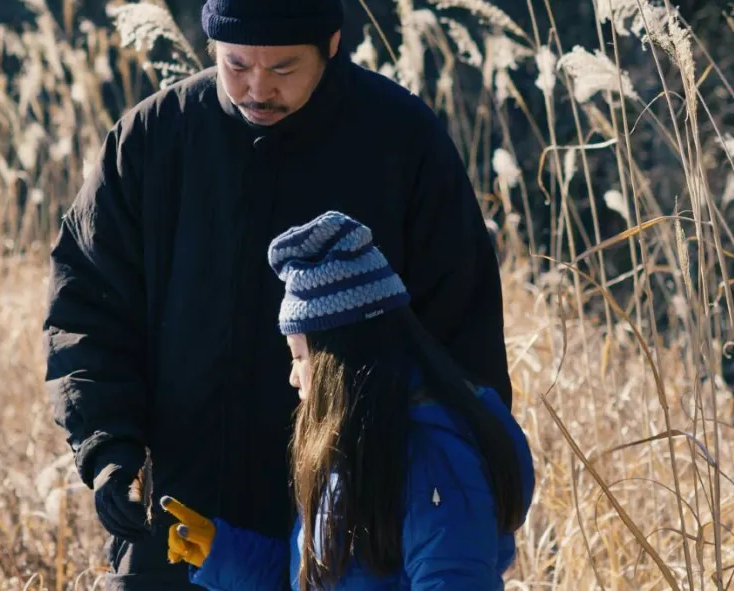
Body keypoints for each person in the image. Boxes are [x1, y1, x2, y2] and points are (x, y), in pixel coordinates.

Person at [42, 0, 512, 590]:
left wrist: (443, 482)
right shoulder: (151, 141)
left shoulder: (402, 142)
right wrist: (111, 451)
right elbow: (85, 311)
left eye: (284, 67)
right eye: (236, 64)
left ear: (333, 45)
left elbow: (459, 339)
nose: (257, 86)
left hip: (348, 523)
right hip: (180, 524)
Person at [161, 211, 535, 590]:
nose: (292, 375)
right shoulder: (361, 446)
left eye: (299, 356)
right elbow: (319, 581)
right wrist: (222, 554)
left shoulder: (434, 459)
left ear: (336, 359)